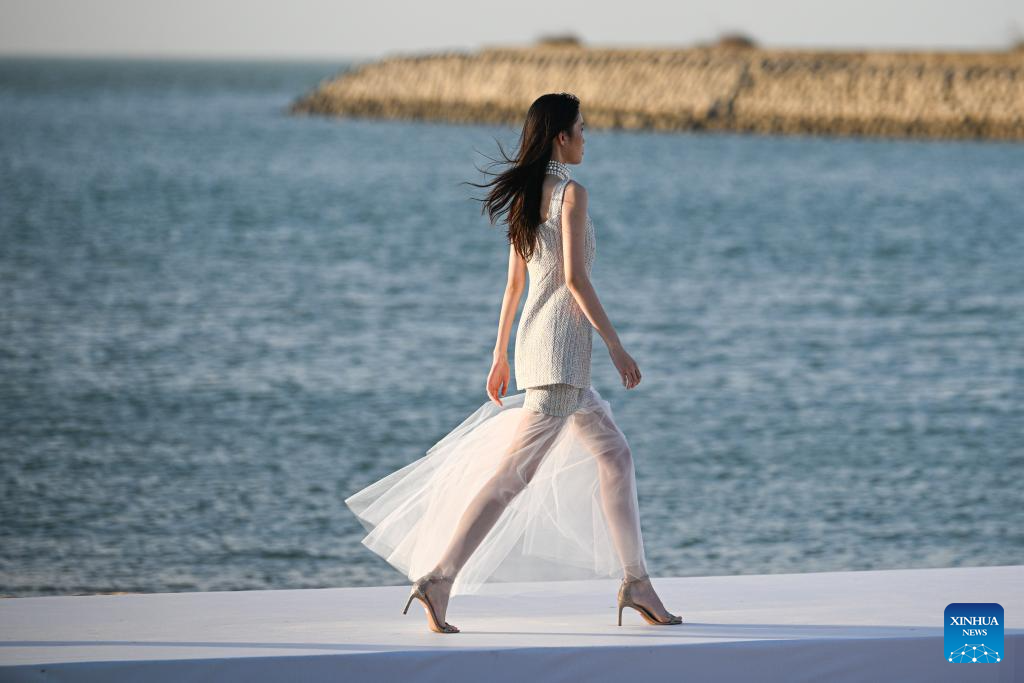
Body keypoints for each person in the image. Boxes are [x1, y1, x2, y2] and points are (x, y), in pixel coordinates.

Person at [345, 92, 682, 633]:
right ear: (560, 137)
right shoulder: (571, 194)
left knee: (614, 455)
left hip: (539, 349)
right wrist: (616, 345)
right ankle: (439, 578)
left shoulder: (526, 195)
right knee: (511, 477)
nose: (586, 138)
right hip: (561, 355)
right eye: (581, 129)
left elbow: (513, 286)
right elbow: (574, 280)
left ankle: (636, 581)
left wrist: (499, 354)